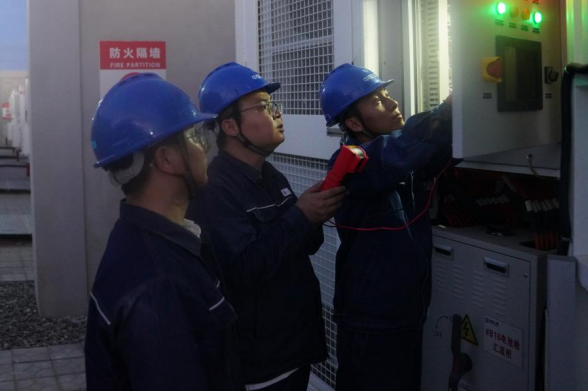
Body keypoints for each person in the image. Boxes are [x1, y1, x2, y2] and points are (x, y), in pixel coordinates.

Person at [188, 62, 346, 391]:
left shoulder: (271, 175)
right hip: (262, 361)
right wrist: (300, 216)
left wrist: (314, 213)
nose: (277, 112)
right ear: (230, 126)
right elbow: (244, 269)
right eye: (262, 106)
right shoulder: (216, 190)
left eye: (273, 104)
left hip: (295, 345)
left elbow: (307, 245)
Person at [85, 73, 242, 391]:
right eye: (195, 136)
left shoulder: (142, 241)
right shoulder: (159, 288)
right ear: (167, 159)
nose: (204, 148)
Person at [319, 64, 453, 391]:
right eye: (377, 101)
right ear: (354, 123)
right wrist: (447, 110)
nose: (392, 103)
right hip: (371, 319)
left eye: (387, 94)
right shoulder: (350, 163)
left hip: (405, 312)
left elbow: (428, 151)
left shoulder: (396, 157)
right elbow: (397, 152)